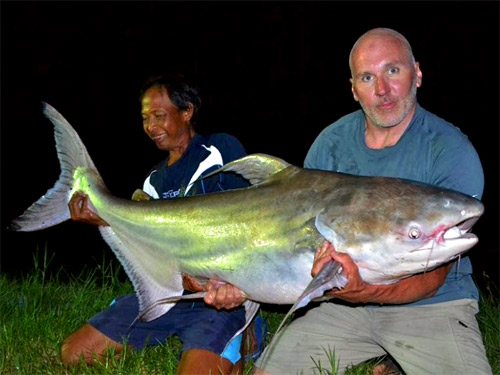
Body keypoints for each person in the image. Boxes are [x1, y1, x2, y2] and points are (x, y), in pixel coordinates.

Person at [253, 28, 492, 375]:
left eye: (393, 71)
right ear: (353, 89)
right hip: (343, 307)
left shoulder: (451, 152)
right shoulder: (331, 144)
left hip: (433, 305)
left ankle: (397, 358)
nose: (382, 90)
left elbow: (433, 278)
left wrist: (363, 290)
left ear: (418, 74)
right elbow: (297, 242)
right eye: (368, 77)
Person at [59, 74, 266, 374]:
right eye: (145, 118)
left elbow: (245, 224)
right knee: (73, 354)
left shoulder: (220, 149)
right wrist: (103, 219)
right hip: (170, 296)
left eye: (159, 116)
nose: (151, 127)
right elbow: (149, 250)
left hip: (220, 301)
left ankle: (243, 338)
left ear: (187, 111)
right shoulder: (153, 182)